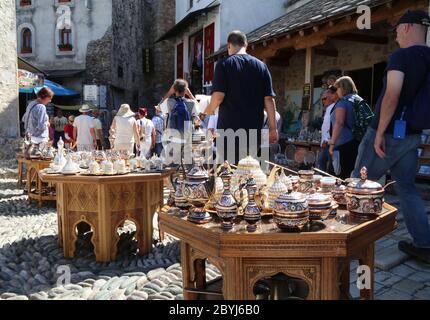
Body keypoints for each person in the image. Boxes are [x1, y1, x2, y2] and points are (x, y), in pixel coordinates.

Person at [352, 10, 430, 263]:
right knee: (407, 188)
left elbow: (392, 95)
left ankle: (349, 244)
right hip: (414, 135)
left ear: (407, 27)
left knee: (358, 185)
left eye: (397, 29)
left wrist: (380, 133)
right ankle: (424, 244)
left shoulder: (402, 56)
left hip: (388, 133)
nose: (395, 34)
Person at [203, 30, 278, 164]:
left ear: (229, 46)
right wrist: (273, 129)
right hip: (253, 133)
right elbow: (269, 100)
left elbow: (218, 96)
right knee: (250, 175)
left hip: (228, 132)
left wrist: (208, 111)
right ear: (246, 45)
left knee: (227, 176)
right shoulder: (261, 67)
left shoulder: (224, 64)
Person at [328, 76, 363, 179]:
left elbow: (339, 122)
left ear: (342, 88)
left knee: (336, 178)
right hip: (356, 142)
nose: (336, 91)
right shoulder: (357, 100)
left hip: (342, 145)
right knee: (350, 177)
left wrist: (332, 143)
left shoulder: (343, 102)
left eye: (337, 88)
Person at [22, 87, 54, 158]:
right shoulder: (41, 107)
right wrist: (47, 123)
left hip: (29, 138)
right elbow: (41, 126)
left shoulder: (31, 104)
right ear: (45, 97)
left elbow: (24, 119)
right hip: (38, 141)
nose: (50, 101)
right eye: (49, 98)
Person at [318, 86, 338, 172]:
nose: (323, 101)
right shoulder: (328, 108)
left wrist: (327, 140)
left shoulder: (334, 107)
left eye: (325, 98)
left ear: (331, 96)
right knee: (321, 166)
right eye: (322, 99)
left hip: (329, 144)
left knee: (330, 169)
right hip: (325, 144)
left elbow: (333, 125)